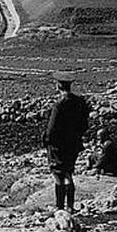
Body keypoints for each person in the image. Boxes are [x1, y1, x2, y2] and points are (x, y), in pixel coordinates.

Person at [44, 71, 90, 223]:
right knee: (69, 173)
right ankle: (70, 206)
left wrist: (48, 141)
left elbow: (51, 128)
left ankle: (59, 207)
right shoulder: (80, 102)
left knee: (58, 174)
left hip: (58, 145)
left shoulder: (59, 105)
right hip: (73, 143)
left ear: (58, 85)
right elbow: (84, 124)